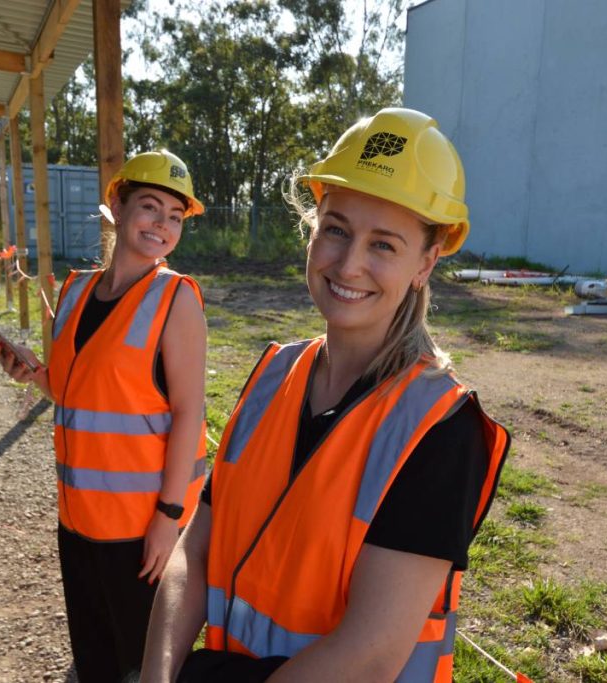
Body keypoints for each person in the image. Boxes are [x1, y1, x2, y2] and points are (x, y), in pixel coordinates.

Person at [140, 108, 511, 683]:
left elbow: (370, 652)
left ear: (426, 262)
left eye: (384, 244)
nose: (349, 263)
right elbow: (196, 549)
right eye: (336, 229)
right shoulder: (272, 376)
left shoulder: (440, 426)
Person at [0, 150, 209, 681]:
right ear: (116, 204)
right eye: (150, 207)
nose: (162, 225)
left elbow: (188, 412)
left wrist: (168, 518)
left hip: (139, 529)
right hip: (77, 518)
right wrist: (33, 374)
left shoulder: (175, 298)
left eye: (175, 217)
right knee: (94, 657)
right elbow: (76, 392)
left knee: (144, 664)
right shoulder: (75, 291)